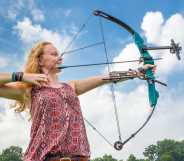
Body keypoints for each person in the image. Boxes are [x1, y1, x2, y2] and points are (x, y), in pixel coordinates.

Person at [0, 42, 155, 161]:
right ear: (39, 60)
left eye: (59, 54)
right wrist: (21, 76)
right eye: (54, 54)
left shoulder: (71, 86)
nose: (59, 57)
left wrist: (137, 72)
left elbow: (106, 78)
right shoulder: (29, 89)